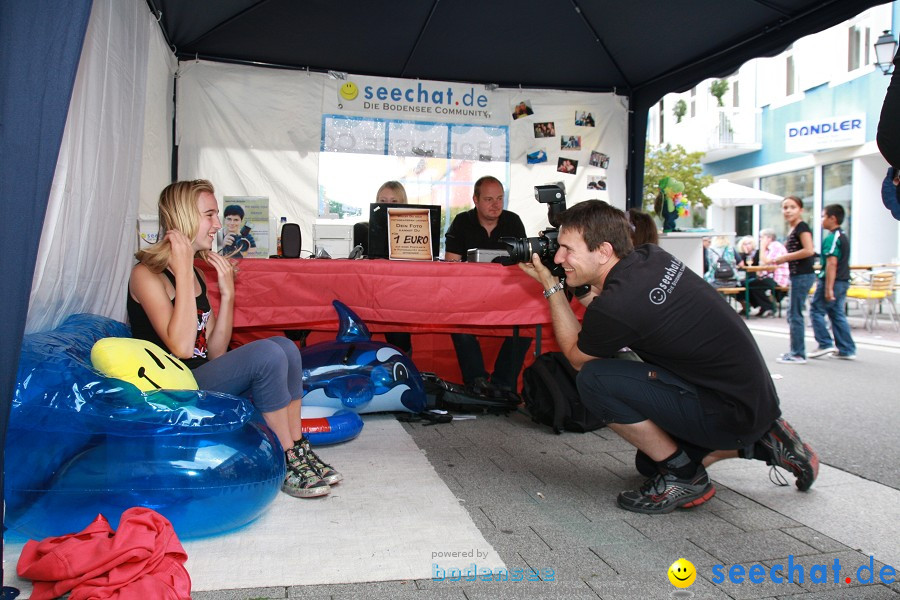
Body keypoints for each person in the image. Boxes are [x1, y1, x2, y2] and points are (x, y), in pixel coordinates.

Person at [516, 199, 818, 514]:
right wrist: (578, 287)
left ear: (604, 251)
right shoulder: (650, 257)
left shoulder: (619, 305)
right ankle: (766, 440)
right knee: (649, 463)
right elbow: (619, 319)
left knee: (594, 379)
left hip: (730, 408)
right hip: (749, 398)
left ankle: (686, 476)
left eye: (567, 249)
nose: (559, 256)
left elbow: (578, 357)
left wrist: (551, 287)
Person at [128, 179, 341, 498]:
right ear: (184, 217)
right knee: (266, 355)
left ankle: (297, 446)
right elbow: (182, 347)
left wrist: (227, 295)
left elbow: (213, 350)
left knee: (286, 347)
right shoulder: (146, 274)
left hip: (198, 375)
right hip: (173, 389)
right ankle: (283, 457)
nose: (217, 224)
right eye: (209, 215)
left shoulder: (196, 274)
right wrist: (184, 272)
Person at [444, 176, 532, 396]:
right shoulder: (462, 221)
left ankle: (503, 385)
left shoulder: (513, 221)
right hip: (469, 296)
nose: (496, 205)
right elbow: (450, 264)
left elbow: (524, 264)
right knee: (456, 321)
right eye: (489, 199)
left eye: (500, 198)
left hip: (508, 294)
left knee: (527, 322)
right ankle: (477, 383)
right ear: (475, 199)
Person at [770, 196, 816, 364]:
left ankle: (798, 353)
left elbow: (809, 250)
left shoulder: (802, 227)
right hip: (798, 274)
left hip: (803, 274)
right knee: (793, 313)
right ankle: (796, 351)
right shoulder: (794, 228)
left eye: (792, 207)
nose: (788, 210)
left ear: (800, 210)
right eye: (785, 207)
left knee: (794, 314)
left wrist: (784, 258)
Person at [808, 204, 856, 360]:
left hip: (833, 281)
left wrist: (828, 288)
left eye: (823, 216)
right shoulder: (843, 236)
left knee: (816, 310)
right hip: (842, 280)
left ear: (832, 218)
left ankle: (824, 343)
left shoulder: (832, 238)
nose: (821, 220)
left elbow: (831, 263)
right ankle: (846, 348)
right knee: (836, 313)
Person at [375, 181, 412, 354]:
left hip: (402, 293)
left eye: (394, 201)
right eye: (382, 201)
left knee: (398, 329)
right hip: (373, 291)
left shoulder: (415, 230)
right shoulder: (363, 229)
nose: (387, 205)